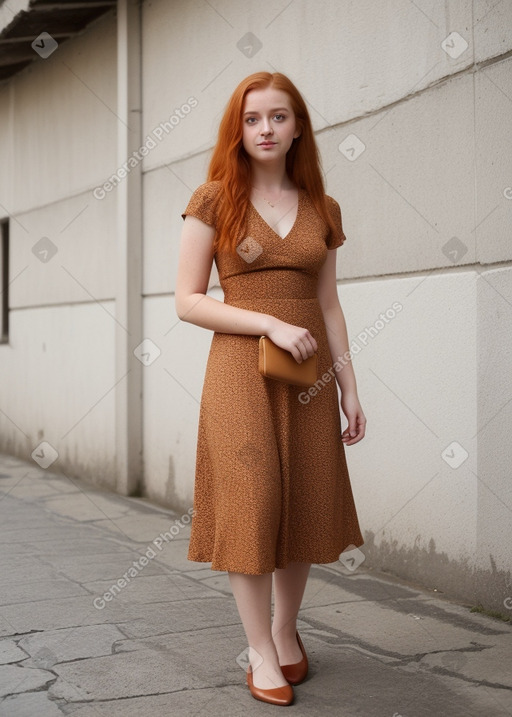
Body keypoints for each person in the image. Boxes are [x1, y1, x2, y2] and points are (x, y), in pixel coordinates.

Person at [176, 71, 366, 706]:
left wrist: (350, 386)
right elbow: (187, 302)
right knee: (253, 501)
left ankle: (287, 634)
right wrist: (266, 323)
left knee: (305, 499)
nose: (265, 129)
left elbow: (329, 304)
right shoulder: (213, 200)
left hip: (308, 372)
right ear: (239, 128)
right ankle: (258, 650)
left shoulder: (322, 209)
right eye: (253, 118)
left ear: (298, 127)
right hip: (238, 371)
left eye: (278, 117)